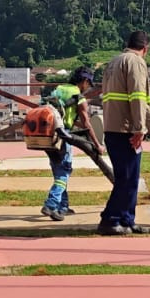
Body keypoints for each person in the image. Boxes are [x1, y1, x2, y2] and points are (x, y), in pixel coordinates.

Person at [97, 30, 150, 236]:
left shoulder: (113, 62)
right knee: (127, 177)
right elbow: (138, 96)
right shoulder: (136, 62)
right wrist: (140, 128)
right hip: (127, 128)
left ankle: (127, 219)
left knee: (128, 177)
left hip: (112, 126)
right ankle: (110, 219)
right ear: (145, 49)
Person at [40, 68, 103, 221]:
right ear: (85, 81)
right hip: (63, 137)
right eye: (89, 84)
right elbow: (87, 123)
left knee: (58, 171)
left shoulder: (59, 89)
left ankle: (63, 206)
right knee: (64, 172)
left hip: (48, 137)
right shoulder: (78, 97)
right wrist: (97, 144)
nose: (88, 88)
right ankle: (51, 204)